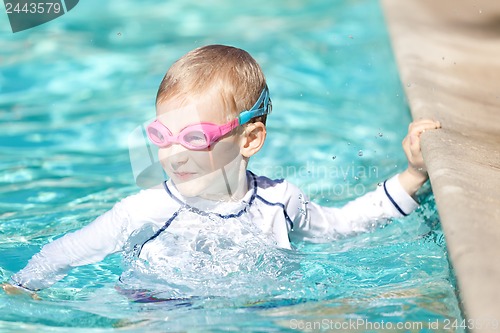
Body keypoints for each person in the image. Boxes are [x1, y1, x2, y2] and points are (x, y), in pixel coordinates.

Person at [2, 45, 441, 299]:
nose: (173, 154)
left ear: (249, 140)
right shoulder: (145, 210)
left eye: (194, 138)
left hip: (262, 310)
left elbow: (341, 226)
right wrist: (19, 290)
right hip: (162, 309)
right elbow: (69, 251)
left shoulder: (280, 200)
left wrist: (413, 176)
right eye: (161, 135)